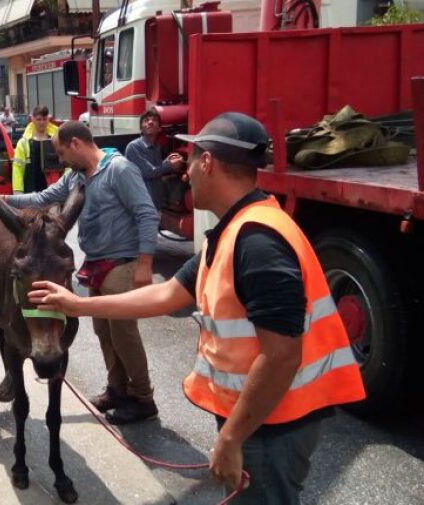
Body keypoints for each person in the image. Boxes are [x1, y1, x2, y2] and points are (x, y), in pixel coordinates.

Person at [29, 112, 366, 504]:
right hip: (260, 414)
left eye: (189, 160)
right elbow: (166, 294)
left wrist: (231, 437)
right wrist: (76, 306)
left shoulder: (259, 241)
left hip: (274, 423)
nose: (185, 171)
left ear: (207, 162)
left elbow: (281, 355)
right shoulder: (232, 231)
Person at [0, 120, 161, 424]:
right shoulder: (76, 176)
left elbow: (146, 214)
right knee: (104, 331)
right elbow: (43, 198)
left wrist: (144, 264)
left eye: (62, 153)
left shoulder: (119, 170)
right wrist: (1, 199)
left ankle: (143, 398)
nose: (61, 160)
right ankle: (117, 389)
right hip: (98, 264)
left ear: (76, 143)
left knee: (124, 334)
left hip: (122, 263)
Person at [124, 109, 184, 208]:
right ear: (141, 129)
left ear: (159, 129)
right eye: (146, 120)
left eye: (154, 120)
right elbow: (149, 172)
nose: (150, 122)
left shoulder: (156, 147)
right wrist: (169, 165)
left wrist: (167, 161)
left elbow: (158, 169)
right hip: (141, 206)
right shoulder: (134, 147)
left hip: (155, 204)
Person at [11, 105, 64, 194]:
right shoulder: (23, 143)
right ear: (32, 119)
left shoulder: (57, 140)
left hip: (54, 193)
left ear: (48, 119)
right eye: (39, 119)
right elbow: (17, 170)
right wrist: (18, 193)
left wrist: (65, 186)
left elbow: (68, 165)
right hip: (30, 194)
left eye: (44, 119)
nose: (42, 122)